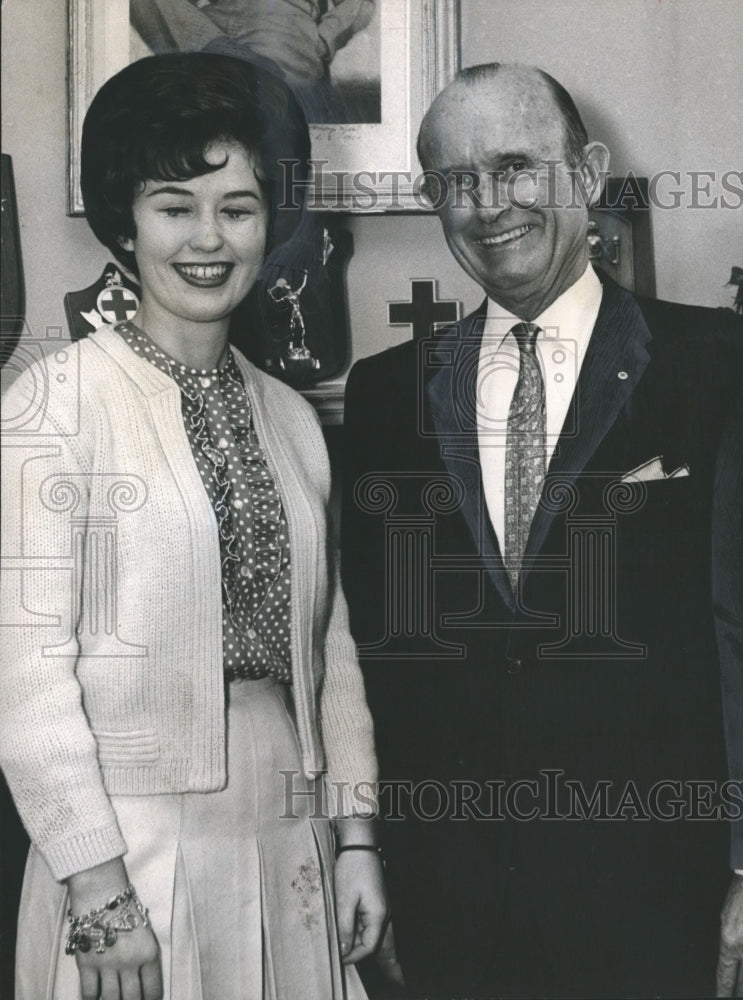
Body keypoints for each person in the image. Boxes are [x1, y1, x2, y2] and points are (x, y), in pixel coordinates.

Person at [341, 63, 743, 998]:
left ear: (588, 170)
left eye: (517, 166)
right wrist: (371, 855)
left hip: (668, 900)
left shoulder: (726, 370)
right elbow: (367, 655)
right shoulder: (382, 396)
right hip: (454, 906)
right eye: (455, 181)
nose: (489, 205)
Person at [0, 52, 388, 1000]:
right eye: (175, 206)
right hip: (124, 845)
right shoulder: (54, 401)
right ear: (125, 225)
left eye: (239, 208)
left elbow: (331, 647)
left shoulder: (290, 415)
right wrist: (96, 886)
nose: (208, 238)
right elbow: (24, 668)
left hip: (283, 824)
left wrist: (356, 836)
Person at [130, 0, 377, 122]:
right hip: (206, 26)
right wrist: (203, 37)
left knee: (260, 141)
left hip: (279, 24)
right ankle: (216, 52)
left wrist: (323, 40)